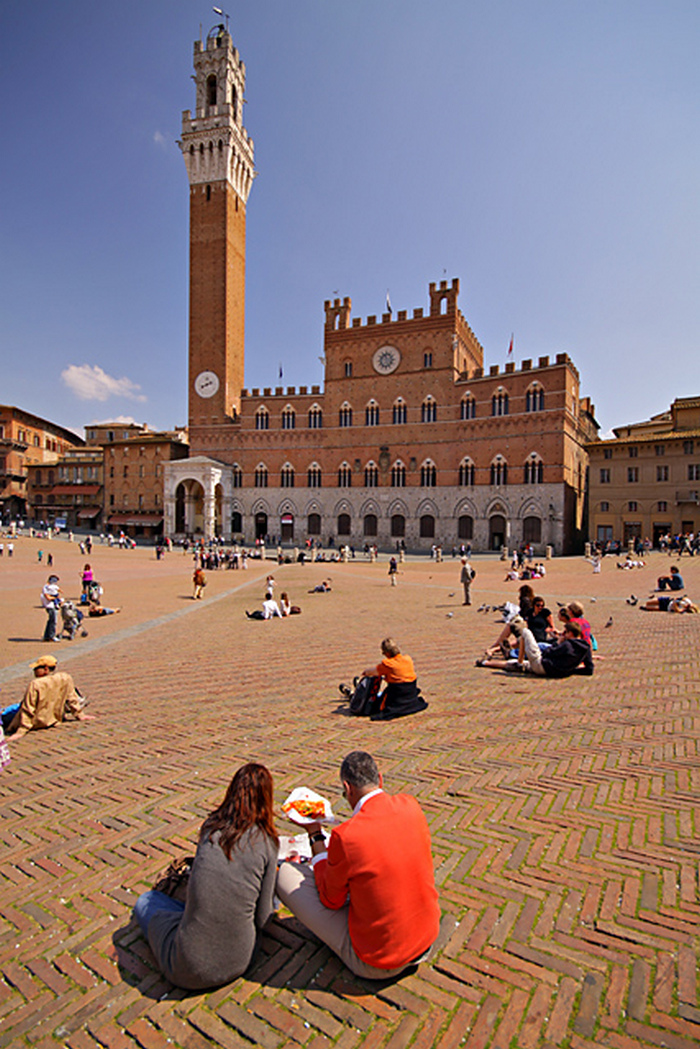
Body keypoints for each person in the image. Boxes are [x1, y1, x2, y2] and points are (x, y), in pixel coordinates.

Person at [276, 751, 440, 980]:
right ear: (380, 779)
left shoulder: (347, 836)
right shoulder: (411, 805)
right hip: (426, 941)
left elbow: (330, 900)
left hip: (381, 962)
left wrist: (315, 834)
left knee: (283, 875)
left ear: (348, 787)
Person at [134, 763, 279, 990]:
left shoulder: (211, 828)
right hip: (239, 962)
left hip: (185, 966)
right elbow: (263, 919)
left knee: (146, 901)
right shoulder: (268, 843)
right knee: (266, 895)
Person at [2, 655, 94, 738]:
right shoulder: (65, 678)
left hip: (35, 720)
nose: (34, 670)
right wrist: (80, 715)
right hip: (53, 718)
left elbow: (28, 709)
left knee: (6, 712)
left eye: (37, 668)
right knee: (14, 707)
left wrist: (21, 731)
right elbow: (72, 699)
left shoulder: (36, 684)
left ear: (46, 669)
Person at [341, 638, 428, 721]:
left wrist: (364, 673)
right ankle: (357, 691)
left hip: (396, 700)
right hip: (410, 697)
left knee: (372, 703)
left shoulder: (388, 664)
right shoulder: (408, 659)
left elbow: (369, 672)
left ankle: (353, 695)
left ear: (387, 653)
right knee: (380, 693)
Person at [477, 621, 593, 677]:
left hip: (543, 666)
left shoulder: (567, 645)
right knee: (514, 665)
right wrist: (570, 670)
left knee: (525, 632)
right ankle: (485, 663)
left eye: (564, 632)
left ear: (570, 633)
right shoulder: (586, 647)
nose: (562, 634)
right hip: (554, 672)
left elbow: (547, 653)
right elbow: (589, 669)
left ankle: (519, 661)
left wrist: (558, 642)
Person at [41, 575, 62, 642]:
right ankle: (51, 636)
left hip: (53, 606)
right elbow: (48, 597)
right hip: (50, 606)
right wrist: (56, 598)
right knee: (53, 622)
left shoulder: (52, 587)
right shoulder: (46, 587)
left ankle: (47, 636)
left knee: (50, 621)